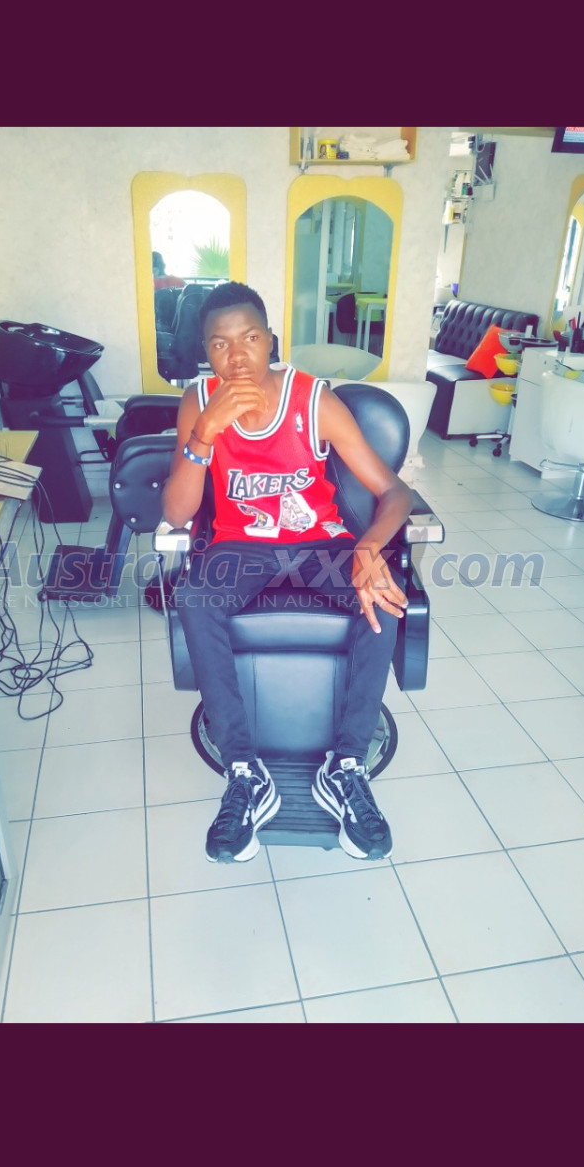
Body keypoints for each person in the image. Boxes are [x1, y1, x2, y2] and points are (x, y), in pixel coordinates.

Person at [162, 282, 413, 865]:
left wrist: (370, 546)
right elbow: (175, 513)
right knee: (195, 596)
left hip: (319, 543)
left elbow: (393, 491)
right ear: (206, 351)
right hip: (240, 546)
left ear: (269, 340)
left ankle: (346, 766)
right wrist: (204, 434)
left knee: (381, 597)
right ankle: (245, 772)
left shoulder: (312, 400)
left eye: (249, 339)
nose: (237, 357)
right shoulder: (198, 401)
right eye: (220, 344)